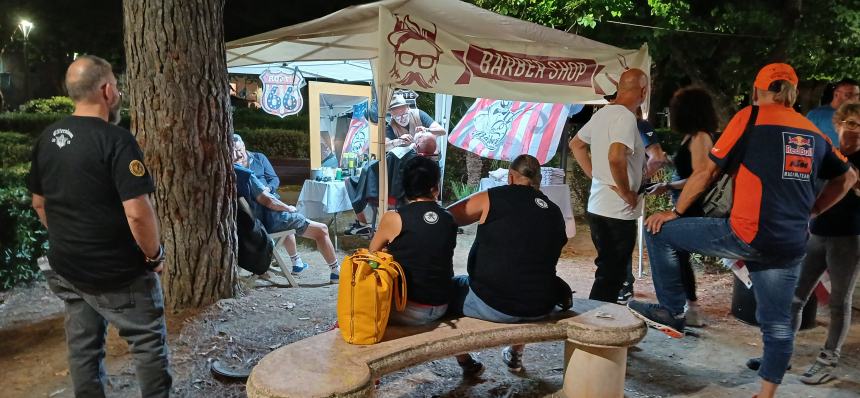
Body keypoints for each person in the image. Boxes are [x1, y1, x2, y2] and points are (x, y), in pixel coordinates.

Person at [628, 63, 855, 398]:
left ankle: (673, 311)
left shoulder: (750, 118)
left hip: (747, 233)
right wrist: (815, 209)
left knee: (658, 231)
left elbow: (707, 173)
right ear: (791, 91)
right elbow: (848, 177)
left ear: (757, 90)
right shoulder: (812, 132)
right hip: (791, 243)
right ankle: (765, 395)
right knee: (778, 322)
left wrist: (675, 212)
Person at [27, 55, 171, 397]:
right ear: (107, 91)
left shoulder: (47, 138)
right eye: (116, 87)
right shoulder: (117, 140)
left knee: (83, 348)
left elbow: (39, 203)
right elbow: (138, 213)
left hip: (68, 268)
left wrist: (67, 239)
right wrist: (153, 256)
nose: (117, 93)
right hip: (118, 272)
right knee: (148, 342)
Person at [447, 154, 567, 372]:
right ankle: (516, 352)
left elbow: (448, 216)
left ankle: (466, 362)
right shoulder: (555, 212)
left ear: (510, 177)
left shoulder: (492, 197)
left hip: (493, 303)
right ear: (538, 180)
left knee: (445, 289)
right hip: (540, 305)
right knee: (524, 275)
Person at [368, 157, 483, 375]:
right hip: (441, 306)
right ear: (435, 188)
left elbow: (371, 256)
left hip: (407, 310)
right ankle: (465, 360)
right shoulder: (449, 218)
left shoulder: (394, 218)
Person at [789, 102, 860, 385]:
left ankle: (828, 360)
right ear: (839, 123)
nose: (854, 130)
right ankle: (781, 354)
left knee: (839, 302)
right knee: (795, 297)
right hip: (816, 233)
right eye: (850, 123)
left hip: (849, 238)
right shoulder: (828, 153)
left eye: (859, 125)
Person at [569, 68, 649, 303]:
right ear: (643, 92)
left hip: (599, 207)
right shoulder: (624, 117)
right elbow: (616, 156)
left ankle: (598, 325)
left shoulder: (603, 114)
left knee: (607, 273)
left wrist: (596, 176)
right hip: (617, 211)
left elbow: (576, 145)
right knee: (611, 276)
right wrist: (626, 193)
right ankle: (596, 327)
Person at [643, 87, 720, 326]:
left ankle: (682, 308)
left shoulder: (701, 137)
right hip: (683, 202)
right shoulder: (692, 136)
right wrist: (667, 184)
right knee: (679, 255)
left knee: (669, 244)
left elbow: (701, 177)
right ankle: (687, 307)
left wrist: (672, 194)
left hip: (692, 205)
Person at [233, 144, 340, 283]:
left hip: (254, 222)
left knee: (289, 224)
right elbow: (267, 201)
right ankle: (336, 272)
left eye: (240, 151)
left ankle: (297, 263)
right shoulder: (245, 174)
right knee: (322, 230)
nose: (240, 155)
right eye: (236, 152)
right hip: (269, 219)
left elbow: (272, 181)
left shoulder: (229, 173)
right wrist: (287, 208)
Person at [618, 112, 669, 304]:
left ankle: (624, 286)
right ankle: (623, 285)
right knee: (621, 235)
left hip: (626, 193)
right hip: (627, 192)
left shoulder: (638, 124)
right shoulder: (632, 124)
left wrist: (641, 179)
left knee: (621, 236)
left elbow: (657, 157)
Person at [344, 132, 438, 236]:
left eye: (421, 133)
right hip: (412, 194)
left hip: (387, 194)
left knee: (350, 181)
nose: (420, 131)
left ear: (418, 142)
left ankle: (363, 223)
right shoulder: (428, 163)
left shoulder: (399, 153)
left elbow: (371, 168)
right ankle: (364, 224)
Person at [806, 78, 859, 146]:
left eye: (857, 95)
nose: (854, 99)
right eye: (848, 95)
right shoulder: (816, 115)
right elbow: (806, 140)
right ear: (836, 94)